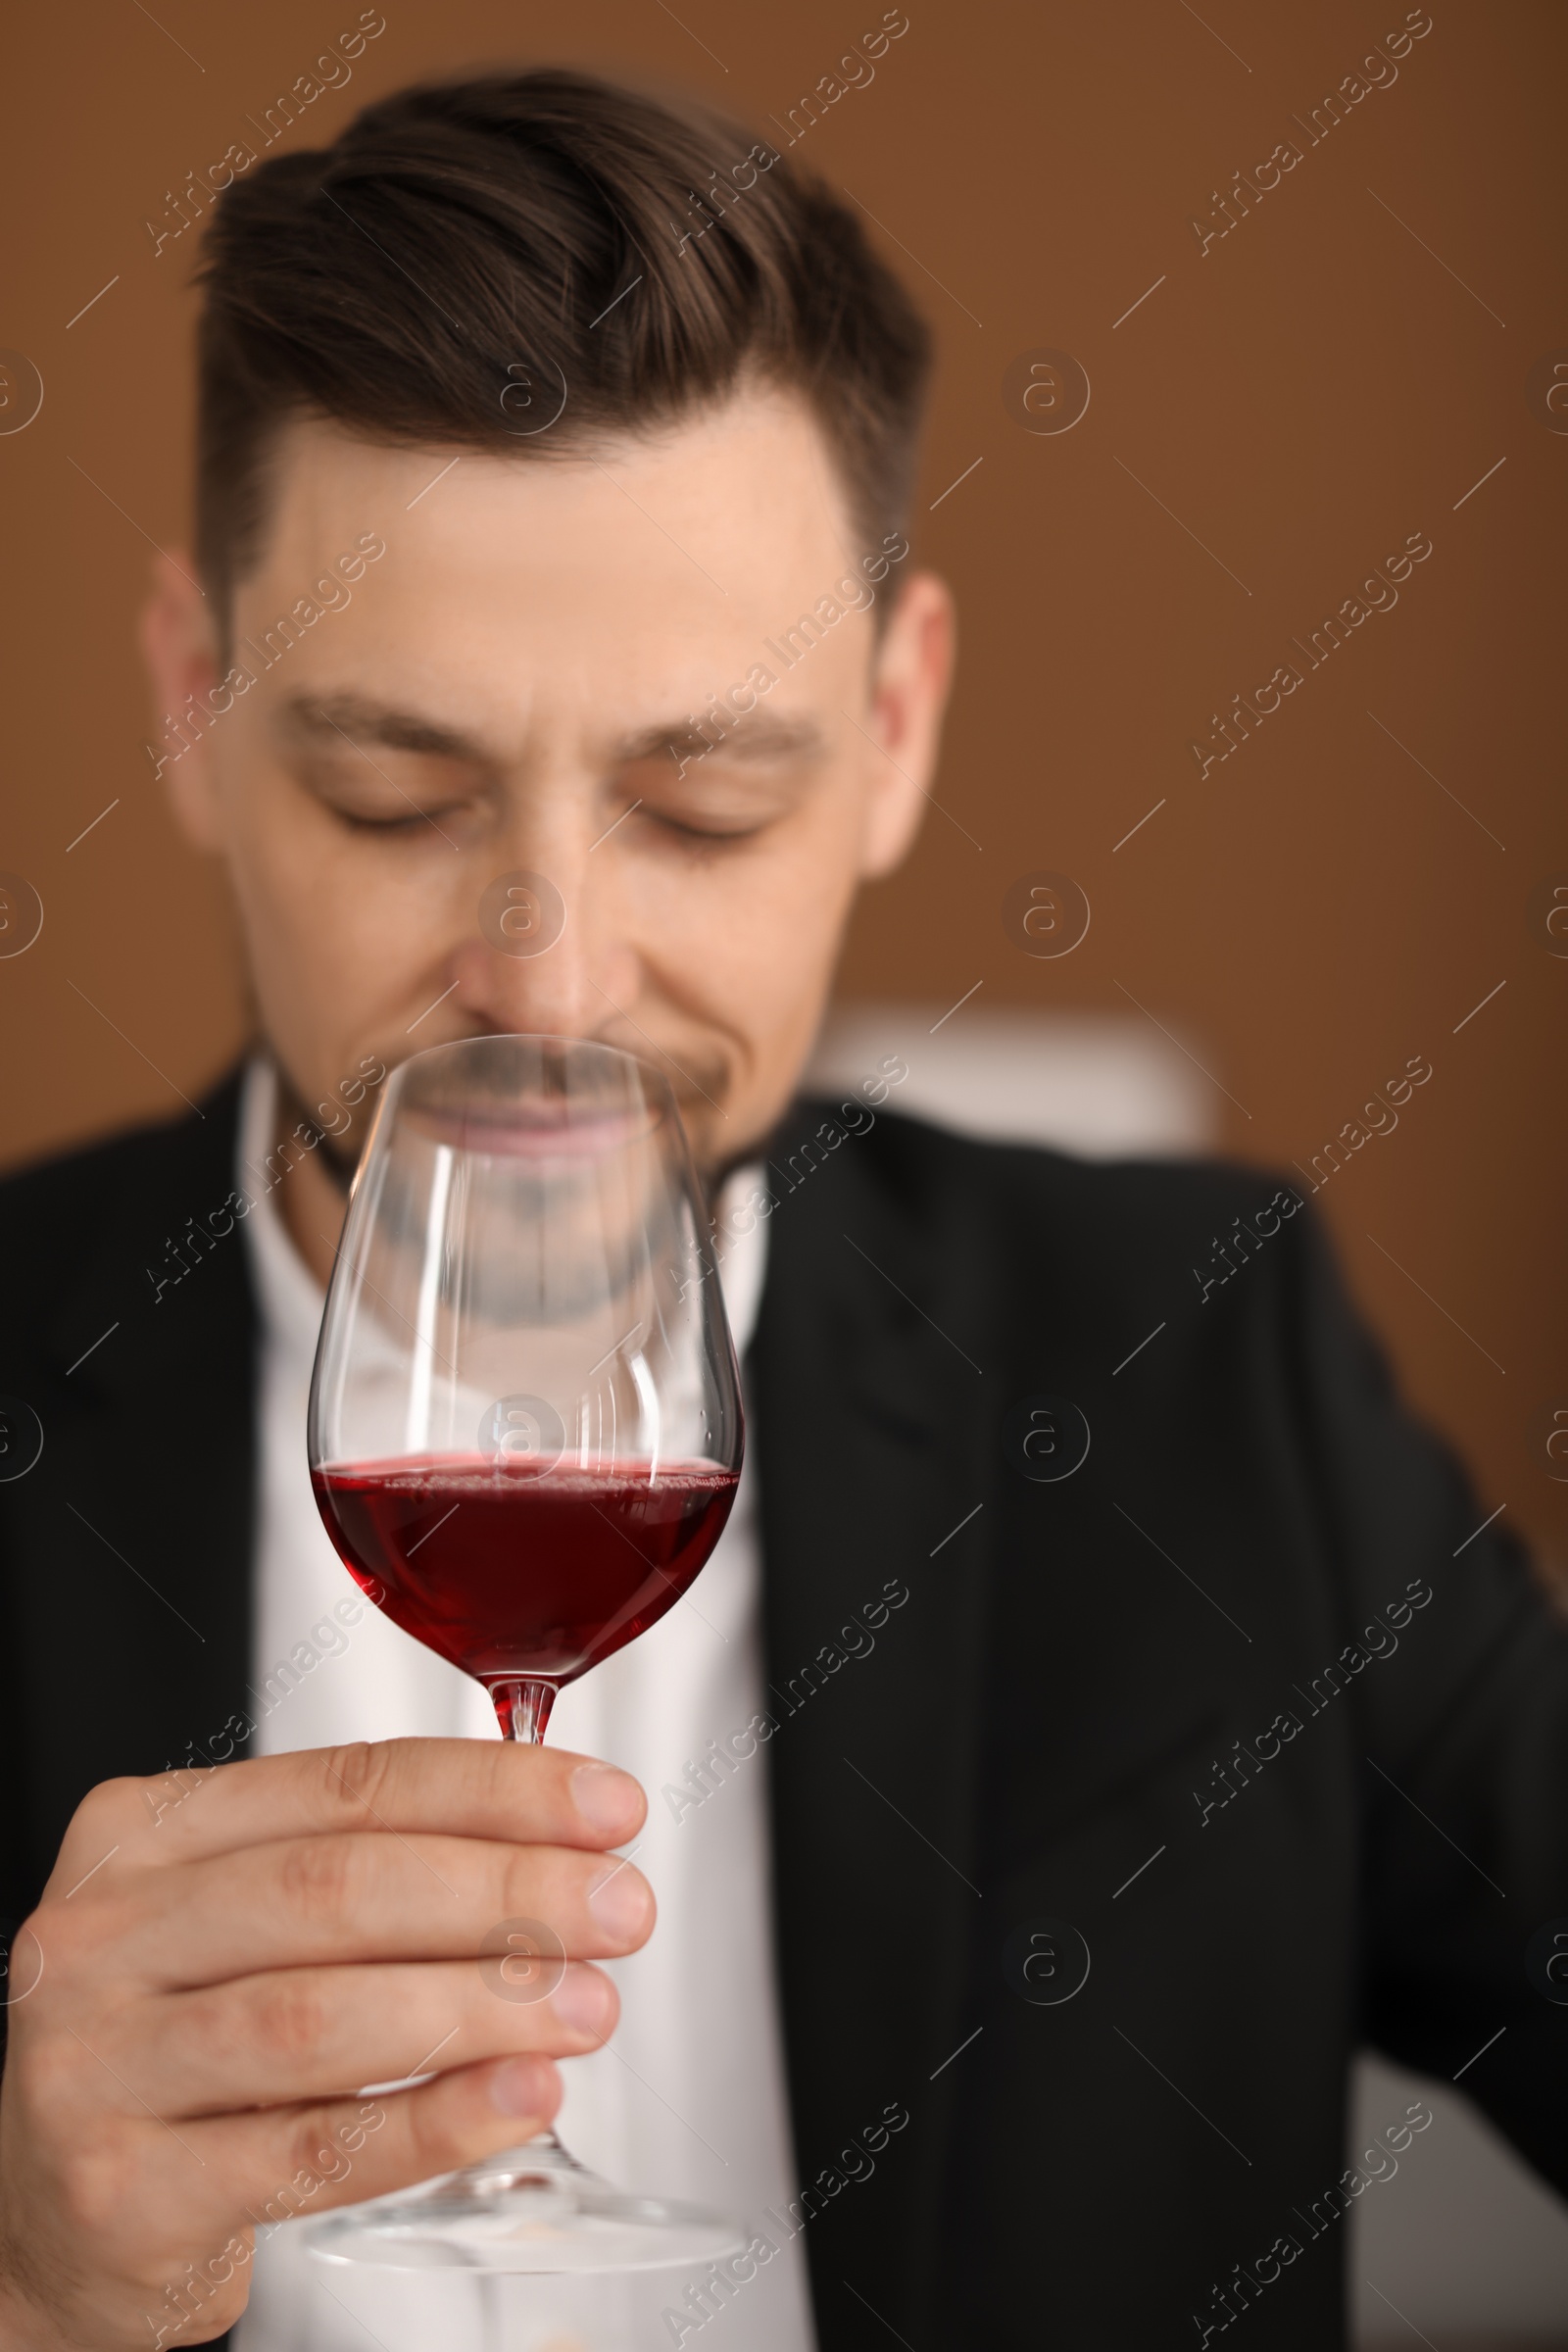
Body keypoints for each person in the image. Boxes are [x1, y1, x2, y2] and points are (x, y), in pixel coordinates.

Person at [1, 64, 1564, 2352]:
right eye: (393, 788)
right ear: (192, 705)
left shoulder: (1197, 1361)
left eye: (700, 804)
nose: (543, 980)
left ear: (898, 728)